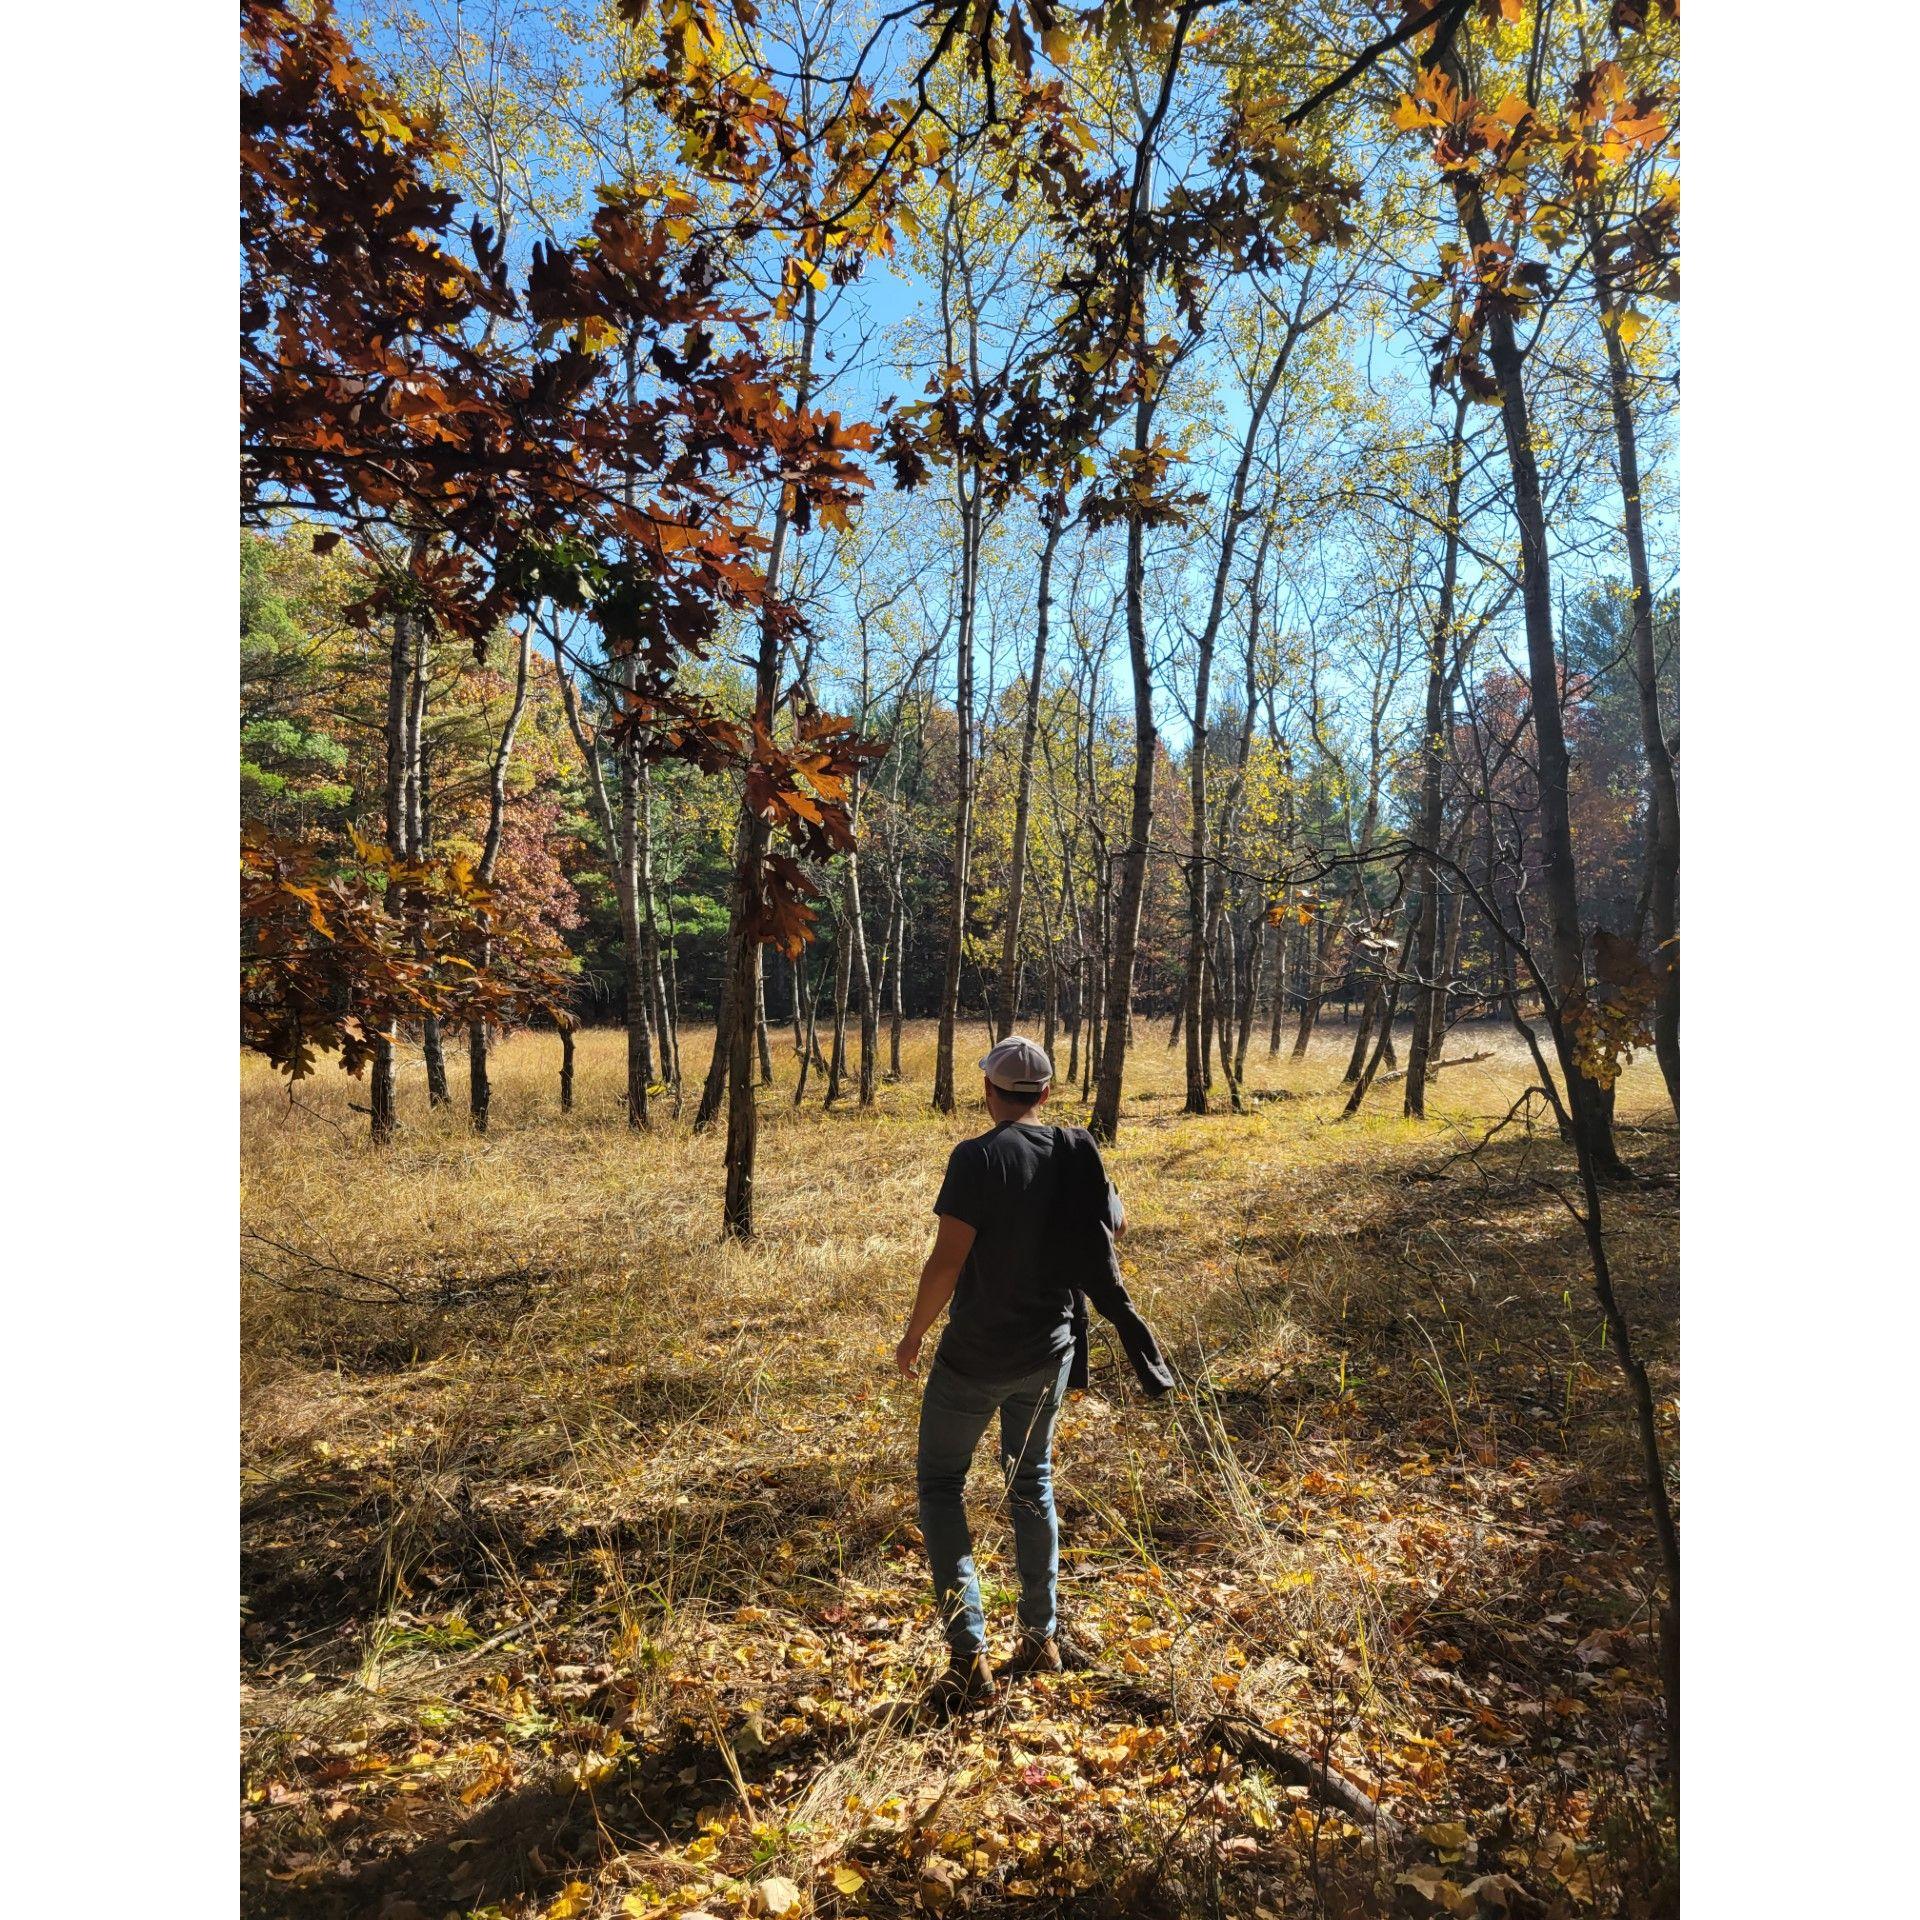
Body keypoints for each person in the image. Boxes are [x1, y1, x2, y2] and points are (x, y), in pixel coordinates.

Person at [895, 1036, 1172, 1708]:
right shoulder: (1074, 1153)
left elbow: (947, 1262)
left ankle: (969, 1661)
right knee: (1031, 1483)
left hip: (976, 1356)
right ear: (1045, 1094)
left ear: (990, 1091)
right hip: (1051, 1352)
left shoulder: (977, 1158)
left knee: (940, 1486)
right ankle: (1040, 1636)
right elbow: (1119, 1224)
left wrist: (913, 1336)